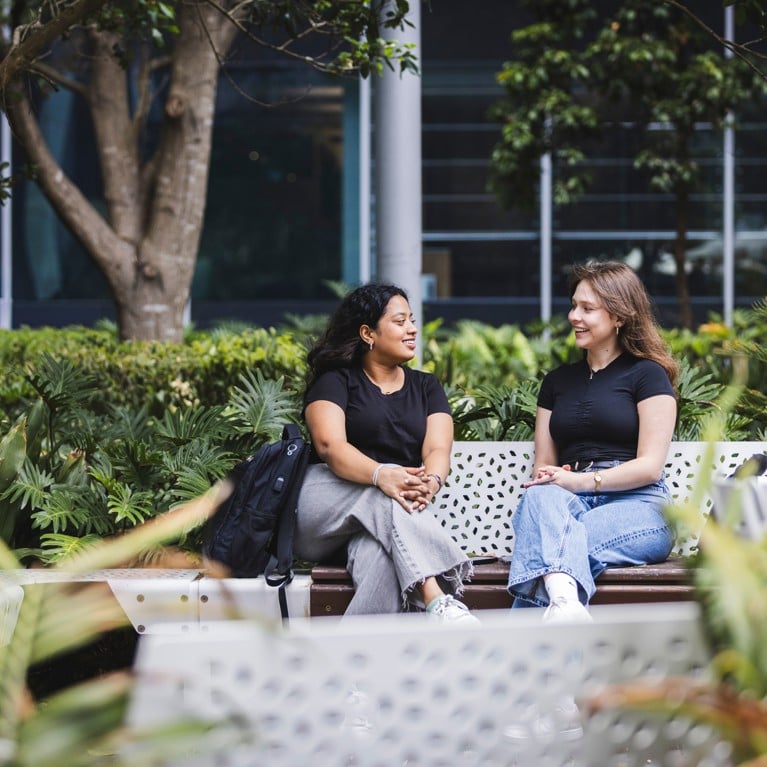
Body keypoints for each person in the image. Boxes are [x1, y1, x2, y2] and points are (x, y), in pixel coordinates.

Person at [294, 283, 478, 623]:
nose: (412, 329)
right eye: (399, 321)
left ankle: (354, 671)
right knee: (383, 495)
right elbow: (330, 447)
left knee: (381, 561)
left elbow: (438, 448)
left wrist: (432, 482)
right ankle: (437, 598)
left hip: (384, 526)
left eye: (411, 320)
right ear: (368, 333)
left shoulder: (426, 386)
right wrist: (383, 476)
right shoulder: (335, 381)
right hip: (322, 508)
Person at [507, 260, 679, 623]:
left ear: (618, 317)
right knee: (540, 497)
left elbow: (649, 467)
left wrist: (581, 481)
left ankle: (511, 656)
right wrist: (558, 481)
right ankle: (566, 607)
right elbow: (544, 467)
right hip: (567, 505)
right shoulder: (556, 382)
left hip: (639, 505)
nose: (574, 316)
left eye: (587, 308)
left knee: (552, 550)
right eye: (573, 306)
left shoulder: (648, 375)